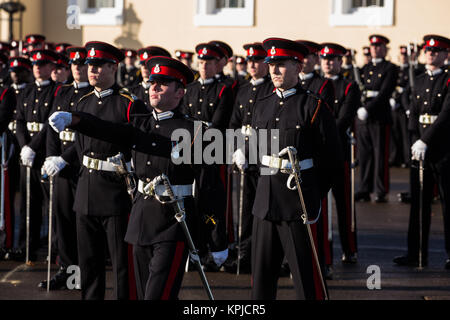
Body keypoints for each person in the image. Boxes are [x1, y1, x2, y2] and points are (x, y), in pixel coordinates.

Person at [48, 56, 210, 300]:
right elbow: (107, 129)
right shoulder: (140, 126)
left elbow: (211, 187)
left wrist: (210, 236)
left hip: (174, 223)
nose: (154, 88)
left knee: (158, 295)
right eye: (153, 82)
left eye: (163, 84)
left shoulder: (196, 131)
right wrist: (75, 119)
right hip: (141, 220)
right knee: (144, 293)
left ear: (179, 93)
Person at [245, 37, 342, 300]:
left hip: (298, 202)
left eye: (281, 65)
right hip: (265, 204)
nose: (274, 71)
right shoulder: (262, 104)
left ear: (299, 67)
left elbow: (332, 160)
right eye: (271, 64)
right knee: (261, 281)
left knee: (306, 278)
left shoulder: (313, 105)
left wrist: (311, 195)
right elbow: (255, 154)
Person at [51, 41, 147, 300]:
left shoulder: (129, 103)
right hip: (87, 189)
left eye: (98, 66)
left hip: (116, 192)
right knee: (89, 264)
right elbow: (81, 148)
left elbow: (137, 145)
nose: (91, 70)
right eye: (89, 66)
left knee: (121, 266)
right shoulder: (82, 102)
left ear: (113, 67)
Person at [37, 46, 92, 290]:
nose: (78, 69)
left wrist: (64, 158)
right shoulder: (62, 92)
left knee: (83, 225)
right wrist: (50, 157)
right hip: (61, 168)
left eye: (82, 65)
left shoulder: (93, 95)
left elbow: (86, 138)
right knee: (63, 223)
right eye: (74, 64)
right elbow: (51, 127)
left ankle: (87, 275)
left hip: (82, 167)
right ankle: (69, 275)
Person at [394, 35, 450, 269]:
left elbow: (447, 115)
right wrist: (414, 143)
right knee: (418, 203)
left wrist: (425, 140)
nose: (431, 54)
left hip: (445, 149)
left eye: (436, 52)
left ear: (446, 55)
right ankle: (416, 253)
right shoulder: (418, 80)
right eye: (428, 51)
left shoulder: (448, 81)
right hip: (420, 150)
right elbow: (413, 115)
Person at [182, 42, 233, 271]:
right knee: (191, 204)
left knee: (212, 204)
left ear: (217, 65)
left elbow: (219, 123)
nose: (204, 66)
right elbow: (183, 118)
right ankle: (196, 249)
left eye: (208, 62)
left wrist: (196, 127)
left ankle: (217, 247)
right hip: (190, 155)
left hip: (212, 154)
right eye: (201, 62)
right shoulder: (190, 89)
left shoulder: (224, 90)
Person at [226, 42, 273, 273]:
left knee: (263, 208)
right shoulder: (243, 90)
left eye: (256, 61)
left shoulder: (271, 90)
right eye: (249, 61)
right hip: (243, 156)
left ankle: (263, 255)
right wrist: (236, 149)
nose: (252, 65)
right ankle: (244, 253)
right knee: (244, 210)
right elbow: (235, 123)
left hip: (263, 155)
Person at [14, 49, 59, 262]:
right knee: (27, 203)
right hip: (28, 156)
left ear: (52, 68)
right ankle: (26, 247)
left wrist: (33, 146)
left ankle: (53, 249)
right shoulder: (26, 91)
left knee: (51, 204)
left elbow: (50, 123)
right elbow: (20, 121)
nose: (38, 68)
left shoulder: (58, 91)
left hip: (46, 153)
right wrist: (24, 146)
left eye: (43, 65)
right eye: (35, 65)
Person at [320, 42, 360, 267]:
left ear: (340, 61)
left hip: (339, 151)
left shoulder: (348, 86)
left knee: (344, 203)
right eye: (325, 58)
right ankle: (324, 250)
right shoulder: (315, 84)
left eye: (333, 59)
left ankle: (349, 247)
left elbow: (344, 117)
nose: (328, 62)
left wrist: (323, 135)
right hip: (319, 152)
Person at [354, 35, 398, 203]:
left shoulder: (390, 68)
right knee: (364, 155)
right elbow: (358, 90)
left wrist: (367, 108)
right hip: (364, 118)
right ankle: (365, 189)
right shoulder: (364, 68)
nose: (375, 49)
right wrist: (359, 106)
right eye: (373, 46)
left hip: (379, 116)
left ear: (385, 49)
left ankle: (381, 190)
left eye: (379, 46)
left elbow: (385, 93)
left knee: (380, 155)